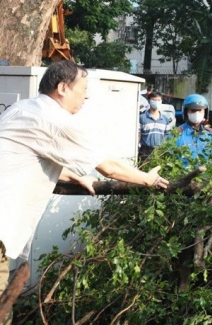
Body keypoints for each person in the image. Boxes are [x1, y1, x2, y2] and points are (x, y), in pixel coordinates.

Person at [0, 61, 168, 323]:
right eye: (84, 88)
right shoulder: (53, 119)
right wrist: (149, 179)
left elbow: (27, 156)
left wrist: (73, 175)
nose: (87, 95)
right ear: (63, 88)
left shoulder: (23, 108)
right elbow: (110, 167)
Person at [175, 94, 212, 166]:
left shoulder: (208, 135)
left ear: (205, 112)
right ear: (186, 112)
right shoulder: (177, 134)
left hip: (206, 176)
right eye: (193, 110)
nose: (196, 113)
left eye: (199, 110)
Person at [138, 91, 171, 160]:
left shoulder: (165, 119)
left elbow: (167, 135)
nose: (156, 102)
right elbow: (138, 134)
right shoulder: (142, 118)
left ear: (161, 101)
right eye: (154, 100)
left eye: (158, 100)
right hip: (145, 151)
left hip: (160, 151)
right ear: (149, 101)